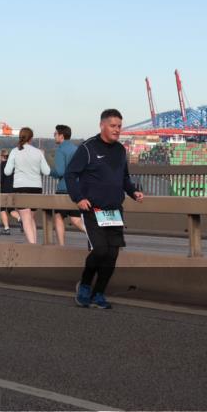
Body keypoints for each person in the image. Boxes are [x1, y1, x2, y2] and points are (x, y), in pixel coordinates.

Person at [65, 109, 144, 310]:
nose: (117, 130)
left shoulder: (120, 150)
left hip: (114, 210)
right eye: (113, 126)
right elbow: (70, 174)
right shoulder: (88, 148)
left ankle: (98, 293)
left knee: (112, 255)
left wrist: (133, 192)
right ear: (102, 125)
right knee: (100, 250)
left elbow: (124, 177)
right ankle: (84, 285)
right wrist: (78, 198)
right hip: (93, 209)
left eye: (119, 126)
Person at [3, 127, 51, 244]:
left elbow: (7, 172)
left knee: (26, 219)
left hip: (21, 188)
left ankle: (33, 247)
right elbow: (47, 171)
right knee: (30, 218)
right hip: (36, 188)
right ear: (31, 138)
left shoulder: (15, 151)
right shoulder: (38, 152)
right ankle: (34, 244)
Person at [49, 124, 84, 246]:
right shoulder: (76, 149)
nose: (54, 136)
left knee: (58, 216)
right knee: (76, 219)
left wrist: (48, 172)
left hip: (64, 189)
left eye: (55, 134)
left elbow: (60, 172)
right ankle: (95, 236)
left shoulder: (60, 150)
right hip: (77, 189)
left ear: (61, 136)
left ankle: (61, 246)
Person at [0, 150, 19, 235]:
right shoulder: (13, 166)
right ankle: (21, 219)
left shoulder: (0, 166)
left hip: (4, 190)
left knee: (2, 209)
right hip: (13, 190)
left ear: (2, 156)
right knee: (11, 209)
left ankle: (6, 229)